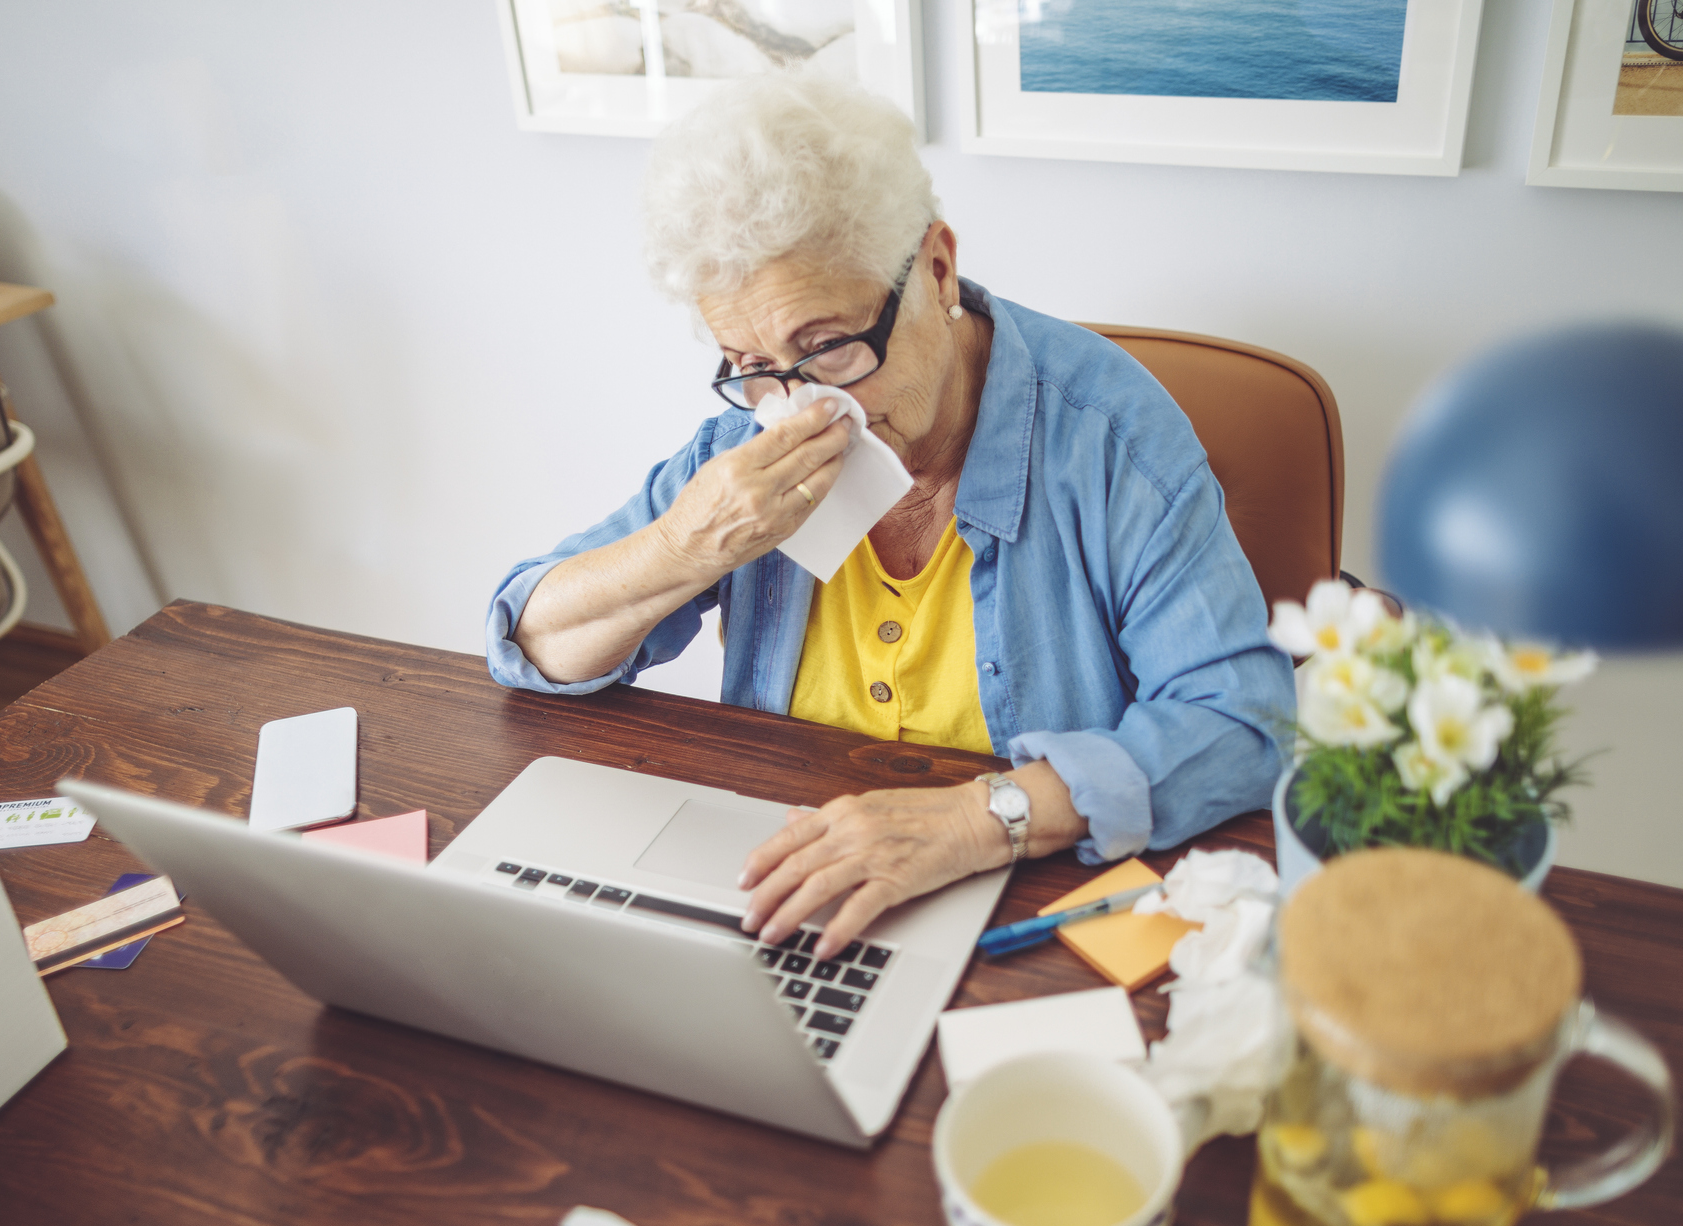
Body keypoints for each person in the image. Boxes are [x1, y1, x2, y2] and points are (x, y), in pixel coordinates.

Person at [484, 73, 1293, 959]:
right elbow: (532, 643)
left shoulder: (1110, 439)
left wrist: (981, 819)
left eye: (828, 346)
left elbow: (1244, 720)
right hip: (794, 886)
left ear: (936, 267)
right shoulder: (742, 433)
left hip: (1031, 904)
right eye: (748, 361)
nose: (798, 403)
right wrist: (681, 548)